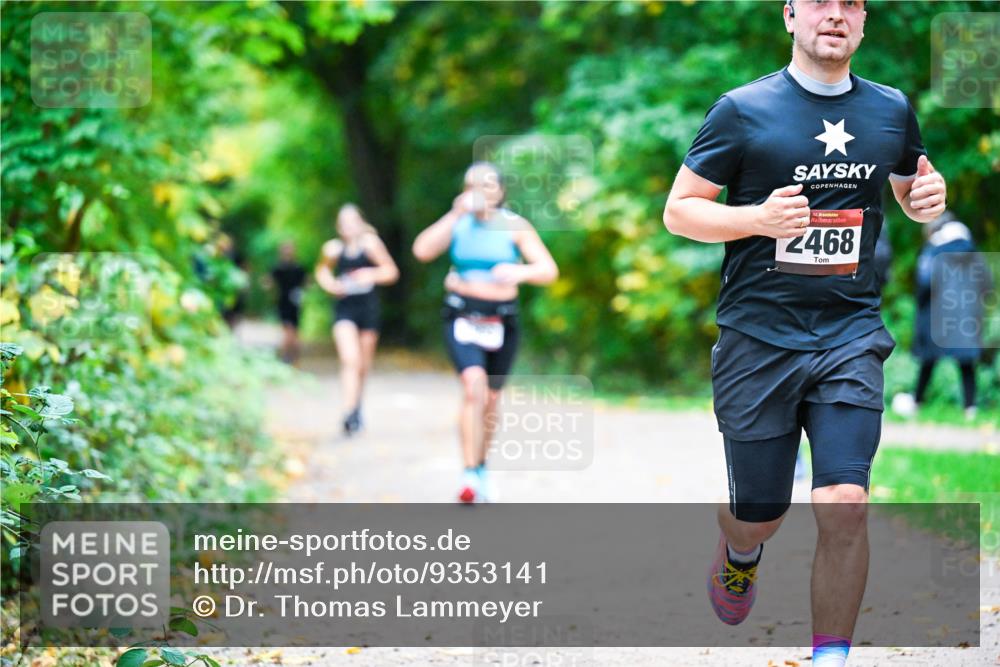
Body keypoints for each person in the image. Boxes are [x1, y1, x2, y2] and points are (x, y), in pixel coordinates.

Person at [662, 2, 947, 665]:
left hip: (849, 332)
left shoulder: (889, 110)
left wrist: (926, 200)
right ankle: (740, 548)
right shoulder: (742, 110)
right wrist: (757, 219)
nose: (835, 14)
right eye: (819, 0)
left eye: (851, 2)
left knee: (845, 501)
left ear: (865, 20)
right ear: (790, 15)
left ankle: (831, 656)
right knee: (759, 512)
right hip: (758, 338)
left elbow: (912, 187)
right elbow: (680, 211)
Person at [412, 162, 558, 503]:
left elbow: (548, 270)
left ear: (501, 191)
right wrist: (452, 215)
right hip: (462, 316)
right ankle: (467, 474)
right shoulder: (457, 223)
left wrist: (519, 272)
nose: (481, 191)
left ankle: (481, 467)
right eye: (473, 184)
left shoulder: (513, 226)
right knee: (472, 386)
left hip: (502, 321)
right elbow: (421, 251)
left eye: (489, 184)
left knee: (491, 399)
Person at [316, 204, 399, 436]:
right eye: (344, 222)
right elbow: (321, 271)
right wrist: (330, 285)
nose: (348, 227)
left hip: (368, 308)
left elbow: (391, 271)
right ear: (338, 226)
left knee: (362, 364)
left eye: (353, 221)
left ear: (360, 222)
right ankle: (348, 410)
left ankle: (357, 406)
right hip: (345, 308)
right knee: (349, 359)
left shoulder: (371, 245)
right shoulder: (332, 249)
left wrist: (369, 274)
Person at [910, 211, 990, 420]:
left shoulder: (932, 250)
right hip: (966, 314)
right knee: (966, 363)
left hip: (935, 314)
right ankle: (970, 409)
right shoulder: (973, 250)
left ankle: (916, 403)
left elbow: (925, 282)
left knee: (928, 361)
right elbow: (986, 284)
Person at [269, 241, 308, 364]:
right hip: (288, 301)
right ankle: (292, 357)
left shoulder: (290, 268)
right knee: (291, 330)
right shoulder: (281, 268)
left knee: (290, 330)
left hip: (289, 301)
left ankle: (288, 357)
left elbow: (268, 283)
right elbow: (307, 283)